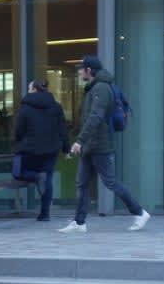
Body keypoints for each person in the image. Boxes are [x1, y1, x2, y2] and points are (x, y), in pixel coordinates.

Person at [62, 55, 150, 233]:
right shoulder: (93, 88)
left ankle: (140, 212)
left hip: (100, 145)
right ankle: (79, 222)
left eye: (81, 69)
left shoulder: (101, 89)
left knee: (110, 182)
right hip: (90, 145)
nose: (79, 72)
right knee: (82, 183)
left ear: (89, 71)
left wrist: (80, 141)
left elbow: (96, 117)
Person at [12, 77, 68, 222]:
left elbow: (18, 130)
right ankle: (44, 214)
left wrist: (19, 141)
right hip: (51, 149)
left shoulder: (25, 108)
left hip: (30, 149)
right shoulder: (56, 106)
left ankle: (36, 177)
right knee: (47, 178)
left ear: (34, 90)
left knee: (18, 173)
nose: (28, 91)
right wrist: (66, 149)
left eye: (30, 88)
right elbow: (63, 129)